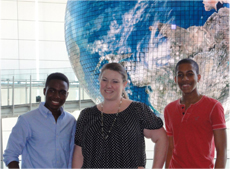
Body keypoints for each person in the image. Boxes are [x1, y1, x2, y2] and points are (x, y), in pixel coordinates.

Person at [72, 62, 168, 168]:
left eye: (115, 81)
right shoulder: (86, 115)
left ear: (124, 85)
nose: (109, 85)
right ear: (99, 81)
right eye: (104, 80)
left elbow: (161, 138)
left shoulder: (137, 111)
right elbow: (79, 153)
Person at [3, 72, 76, 168]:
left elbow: (72, 154)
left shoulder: (71, 121)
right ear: (44, 91)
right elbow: (10, 155)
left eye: (62, 92)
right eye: (52, 91)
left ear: (67, 95)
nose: (56, 96)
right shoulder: (26, 120)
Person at [164, 58, 227, 168]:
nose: (185, 79)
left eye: (190, 74)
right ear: (175, 79)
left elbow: (222, 151)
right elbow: (170, 147)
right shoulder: (169, 109)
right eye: (180, 75)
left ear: (198, 77)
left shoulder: (213, 107)